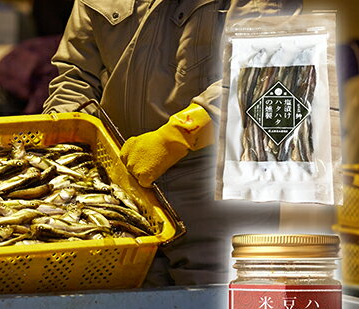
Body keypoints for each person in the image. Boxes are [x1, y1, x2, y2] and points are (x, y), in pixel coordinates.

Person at [44, 0, 302, 287]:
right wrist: (65, 133)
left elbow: (270, 71)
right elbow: (74, 73)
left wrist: (178, 136)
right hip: (127, 185)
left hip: (218, 191)